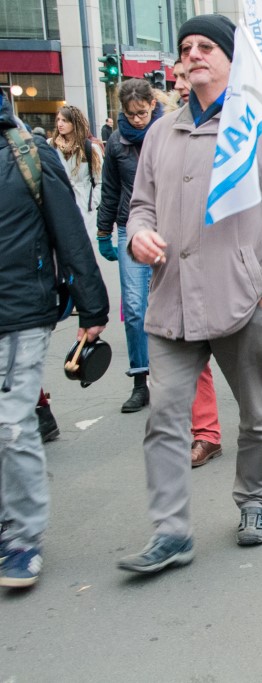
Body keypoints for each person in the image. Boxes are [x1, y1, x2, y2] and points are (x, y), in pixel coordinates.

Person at [116, 14, 262, 574]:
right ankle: (171, 532)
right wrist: (139, 237)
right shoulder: (160, 131)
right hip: (172, 300)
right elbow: (142, 207)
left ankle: (253, 503)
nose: (193, 54)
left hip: (241, 301)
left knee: (257, 414)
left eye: (206, 46)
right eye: (185, 47)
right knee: (165, 417)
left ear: (231, 58)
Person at [0, 86, 110, 588]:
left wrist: (93, 306)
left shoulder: (28, 153)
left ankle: (22, 536)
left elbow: (70, 231)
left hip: (21, 310)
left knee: (11, 425)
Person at [96, 79, 166, 413]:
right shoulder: (116, 142)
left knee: (168, 305)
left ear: (153, 104)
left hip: (168, 228)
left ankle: (173, 376)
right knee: (136, 308)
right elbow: (109, 189)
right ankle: (141, 380)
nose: (137, 119)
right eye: (130, 113)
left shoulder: (169, 131)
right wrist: (102, 231)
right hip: (130, 228)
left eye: (142, 112)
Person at [48, 104, 103, 223]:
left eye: (65, 120)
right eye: (58, 120)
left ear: (75, 123)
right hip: (59, 202)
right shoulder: (51, 145)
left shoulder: (90, 148)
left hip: (84, 203)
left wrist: (92, 203)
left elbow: (100, 181)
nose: (60, 124)